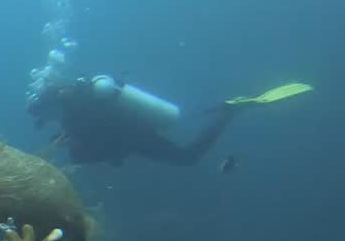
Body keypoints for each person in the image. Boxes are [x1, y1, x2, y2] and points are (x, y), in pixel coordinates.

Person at [28, 76, 311, 166]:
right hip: (135, 128)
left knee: (188, 157)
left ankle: (228, 112)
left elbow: (99, 144)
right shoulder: (77, 102)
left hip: (134, 135)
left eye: (44, 117)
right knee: (185, 119)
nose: (48, 122)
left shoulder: (75, 112)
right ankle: (218, 110)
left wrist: (74, 149)